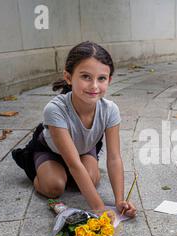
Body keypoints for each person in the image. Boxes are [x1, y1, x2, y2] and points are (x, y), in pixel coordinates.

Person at [12, 41, 136, 219]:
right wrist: (100, 209)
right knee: (54, 187)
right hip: (51, 150)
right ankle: (35, 165)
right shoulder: (55, 110)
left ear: (109, 80)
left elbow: (114, 158)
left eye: (101, 78)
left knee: (91, 180)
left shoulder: (110, 110)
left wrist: (119, 202)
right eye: (86, 77)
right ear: (69, 77)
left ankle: (68, 176)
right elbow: (74, 164)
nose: (94, 86)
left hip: (83, 149)